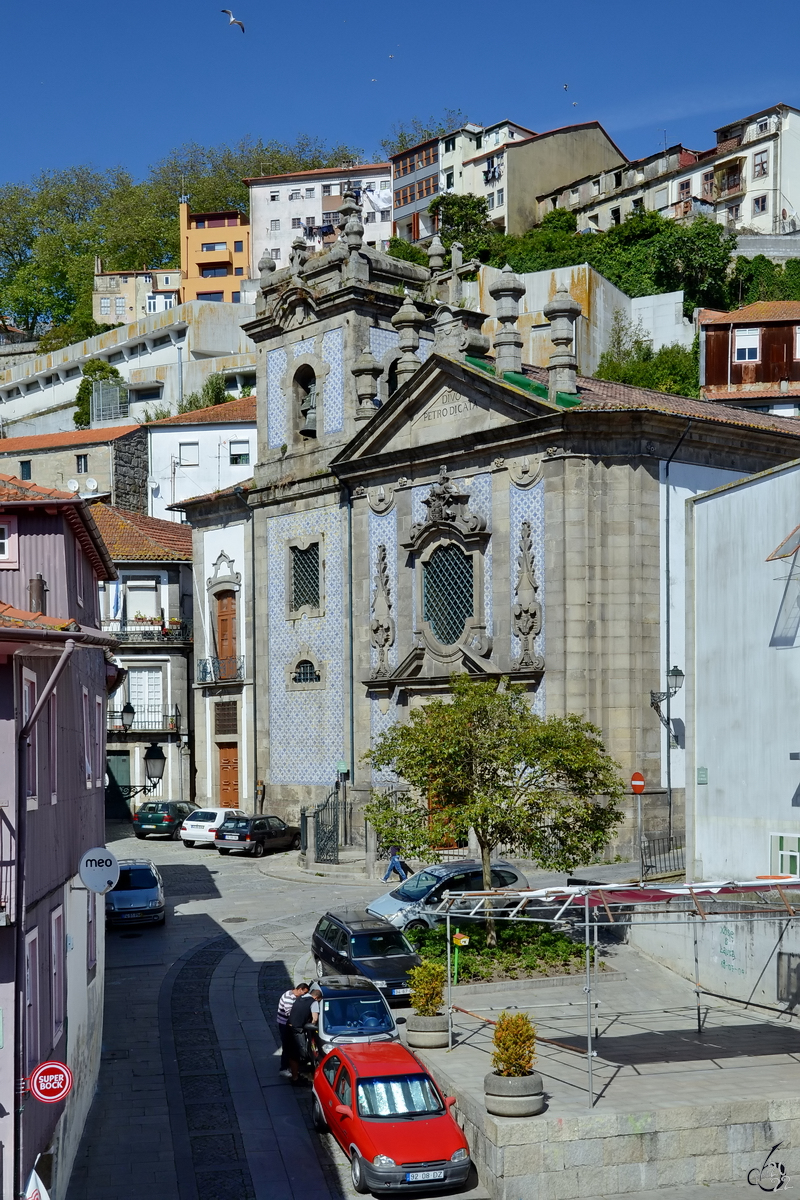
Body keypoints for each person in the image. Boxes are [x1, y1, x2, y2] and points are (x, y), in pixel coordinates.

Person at [288, 985, 323, 1079]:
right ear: (316, 998)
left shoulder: (300, 998)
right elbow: (315, 1019)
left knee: (291, 1051)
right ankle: (298, 1075)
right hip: (298, 1030)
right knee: (301, 1053)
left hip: (289, 1027)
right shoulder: (313, 1002)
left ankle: (294, 1073)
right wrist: (312, 1024)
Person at [276, 982, 309, 1079]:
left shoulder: (293, 995)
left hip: (287, 1024)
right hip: (285, 1025)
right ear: (300, 989)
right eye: (304, 993)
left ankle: (290, 1065)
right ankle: (283, 1068)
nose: (304, 995)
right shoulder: (289, 998)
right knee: (287, 1046)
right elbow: (290, 1013)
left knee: (289, 1046)